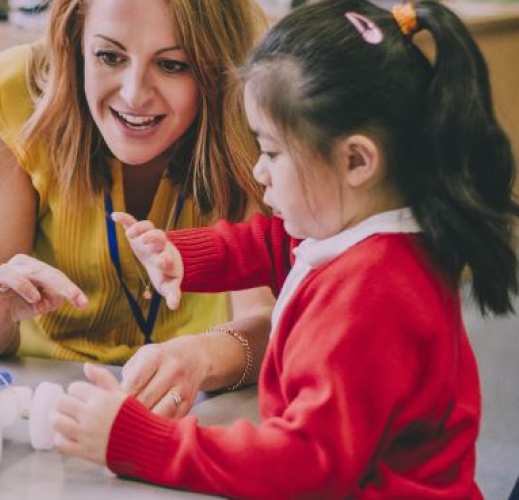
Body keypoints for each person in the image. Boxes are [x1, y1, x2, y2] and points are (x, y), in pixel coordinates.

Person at [51, 0, 519, 498]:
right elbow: (275, 245)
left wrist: (140, 442)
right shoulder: (366, 234)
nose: (259, 171)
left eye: (272, 151)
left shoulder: (370, 296)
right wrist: (181, 254)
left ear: (356, 161)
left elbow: (304, 465)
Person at [0, 0, 275, 417]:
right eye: (109, 57)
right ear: (75, 39)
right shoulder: (15, 96)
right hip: (36, 403)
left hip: (195, 409)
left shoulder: (251, 105)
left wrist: (203, 357)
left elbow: (271, 325)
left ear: (218, 66)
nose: (134, 94)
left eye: (172, 65)